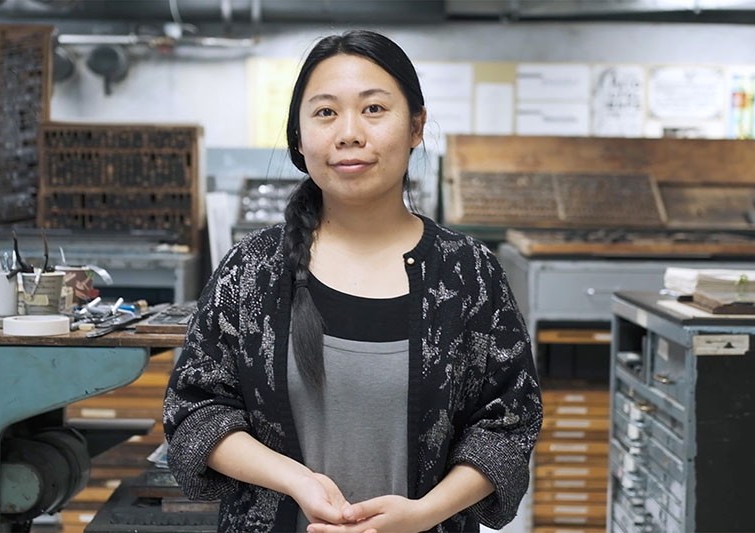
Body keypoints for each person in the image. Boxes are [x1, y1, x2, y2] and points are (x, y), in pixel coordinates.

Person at [163, 29, 542, 533]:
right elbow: (195, 414)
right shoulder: (251, 271)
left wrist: (425, 513)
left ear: (416, 126)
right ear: (299, 138)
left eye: (374, 109)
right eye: (325, 112)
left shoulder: (468, 272)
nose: (349, 133)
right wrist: (296, 481)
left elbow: (508, 425)